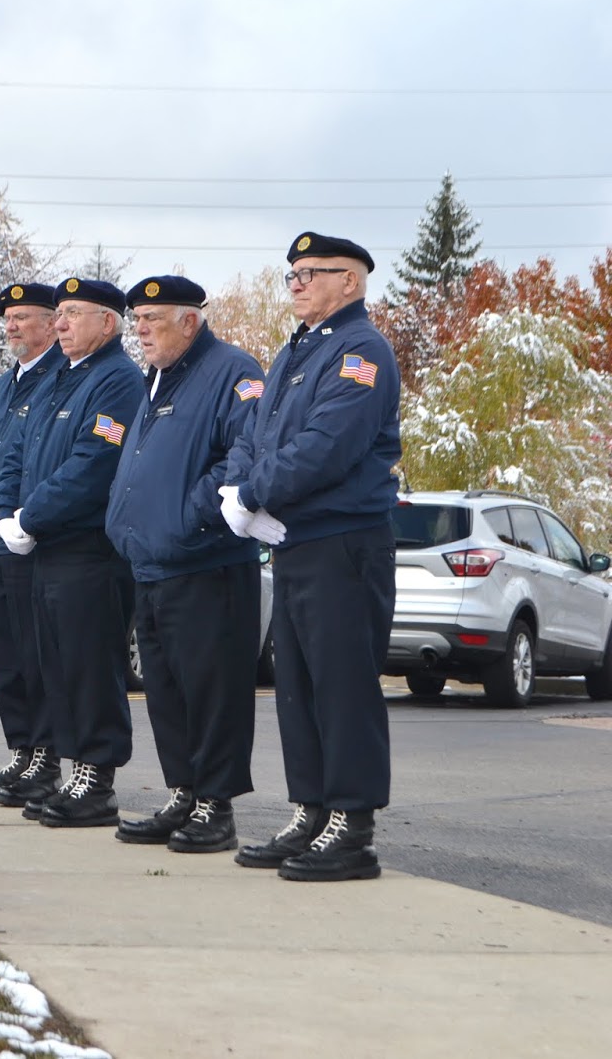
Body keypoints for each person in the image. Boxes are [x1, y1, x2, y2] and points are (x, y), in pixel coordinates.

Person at [223, 232, 401, 882]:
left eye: (309, 273)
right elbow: (258, 434)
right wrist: (238, 491)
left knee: (341, 685)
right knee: (296, 688)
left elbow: (329, 445)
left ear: (348, 282)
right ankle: (313, 809)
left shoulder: (361, 351)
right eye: (290, 274)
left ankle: (352, 826)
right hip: (295, 539)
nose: (295, 283)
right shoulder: (298, 350)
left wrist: (253, 493)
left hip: (344, 541)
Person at [104, 275, 269, 853]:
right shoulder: (157, 379)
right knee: (168, 693)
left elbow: (243, 455)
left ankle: (216, 807)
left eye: (152, 320)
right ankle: (184, 792)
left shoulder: (231, 371)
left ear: (190, 322)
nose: (140, 330)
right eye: (137, 320)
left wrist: (188, 515)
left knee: (211, 690)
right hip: (152, 565)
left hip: (206, 563)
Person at [0, 277, 143, 827]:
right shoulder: (62, 380)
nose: (60, 323)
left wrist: (30, 517)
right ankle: (73, 771)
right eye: (58, 313)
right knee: (55, 665)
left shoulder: (117, 380)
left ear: (107, 322)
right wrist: (8, 515)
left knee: (88, 666)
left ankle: (96, 780)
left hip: (88, 550)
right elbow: (18, 452)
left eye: (72, 313)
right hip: (46, 549)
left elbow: (93, 465)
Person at [0, 283, 66, 806]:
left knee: (34, 654)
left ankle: (44, 758)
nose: (13, 326)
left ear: (52, 323)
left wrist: (18, 524)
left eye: (25, 317)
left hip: (33, 540)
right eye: (8, 318)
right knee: (3, 657)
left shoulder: (57, 381)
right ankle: (20, 751)